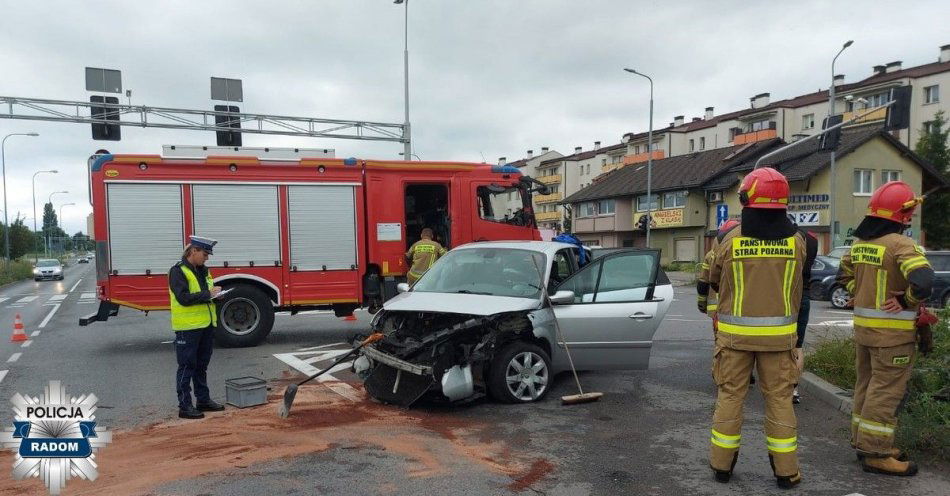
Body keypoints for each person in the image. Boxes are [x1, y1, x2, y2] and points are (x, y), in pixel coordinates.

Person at [707, 167, 806, 489]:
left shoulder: (729, 241)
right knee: (779, 400)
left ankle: (722, 466)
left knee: (730, 397)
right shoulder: (798, 242)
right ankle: (786, 472)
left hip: (735, 338)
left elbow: (712, 279)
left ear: (746, 198)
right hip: (779, 341)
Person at [836, 181, 932, 476]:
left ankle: (862, 441)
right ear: (902, 216)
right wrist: (906, 299)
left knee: (866, 387)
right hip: (892, 337)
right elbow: (925, 281)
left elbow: (844, 276)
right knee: (886, 392)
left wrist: (857, 291)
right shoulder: (901, 245)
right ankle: (876, 453)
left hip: (865, 333)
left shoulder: (861, 244)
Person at [169, 236, 226, 419]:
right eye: (205, 253)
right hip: (188, 327)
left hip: (206, 324)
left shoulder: (203, 270)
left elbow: (205, 294)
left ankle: (203, 400)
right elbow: (183, 298)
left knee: (201, 365)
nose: (207, 258)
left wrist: (217, 295)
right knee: (187, 366)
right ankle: (185, 406)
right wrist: (208, 294)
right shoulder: (178, 271)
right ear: (193, 251)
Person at [698, 219, 740, 329]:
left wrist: (701, 303)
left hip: (716, 307)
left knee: (720, 336)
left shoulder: (710, 256)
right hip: (735, 306)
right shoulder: (741, 251)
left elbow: (703, 282)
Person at [793, 230, 818, 404]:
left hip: (786, 296)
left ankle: (777, 387)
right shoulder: (813, 240)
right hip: (804, 295)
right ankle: (793, 389)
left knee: (782, 346)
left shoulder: (787, 238)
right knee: (798, 345)